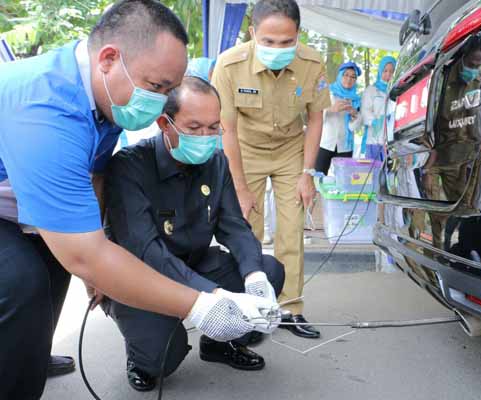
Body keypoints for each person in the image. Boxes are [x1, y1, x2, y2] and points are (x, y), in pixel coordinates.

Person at [0, 1, 277, 398]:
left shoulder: (104, 100)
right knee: (20, 281)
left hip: (23, 195)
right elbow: (88, 254)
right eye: (157, 87)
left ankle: (31, 351)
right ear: (110, 59)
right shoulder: (46, 110)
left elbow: (94, 178)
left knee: (51, 271)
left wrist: (84, 265)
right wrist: (202, 306)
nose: (160, 103)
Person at [103, 76, 284, 391]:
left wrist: (254, 277)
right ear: (164, 123)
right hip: (142, 278)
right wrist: (212, 296)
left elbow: (234, 226)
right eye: (194, 128)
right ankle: (141, 354)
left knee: (269, 271)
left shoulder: (216, 161)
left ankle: (219, 344)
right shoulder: (130, 167)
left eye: (214, 127)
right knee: (160, 359)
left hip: (196, 262)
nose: (206, 137)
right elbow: (145, 250)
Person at [212, 0, 331, 339]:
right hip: (245, 150)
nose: (277, 49)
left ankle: (291, 308)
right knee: (247, 227)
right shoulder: (229, 65)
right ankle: (247, 308)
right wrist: (238, 185)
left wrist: (309, 173)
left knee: (292, 228)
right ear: (252, 33)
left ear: (298, 35)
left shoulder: (311, 63)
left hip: (291, 149)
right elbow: (227, 130)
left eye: (286, 42)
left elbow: (317, 117)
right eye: (268, 41)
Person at [315, 62, 363, 175]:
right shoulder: (327, 92)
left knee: (343, 180)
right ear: (340, 75)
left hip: (345, 146)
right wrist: (331, 109)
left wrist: (355, 115)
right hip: (325, 143)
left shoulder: (355, 99)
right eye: (346, 75)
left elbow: (354, 127)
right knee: (318, 177)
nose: (349, 79)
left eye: (353, 77)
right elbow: (315, 115)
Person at [360, 56, 397, 161]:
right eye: (385, 71)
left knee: (388, 172)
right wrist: (375, 121)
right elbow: (364, 111)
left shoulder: (396, 91)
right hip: (373, 139)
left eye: (391, 71)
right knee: (373, 171)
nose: (388, 74)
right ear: (380, 71)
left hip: (390, 140)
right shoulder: (371, 90)